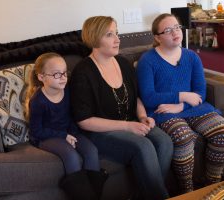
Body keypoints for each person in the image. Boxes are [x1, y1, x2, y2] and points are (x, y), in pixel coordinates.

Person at [70, 16, 173, 200]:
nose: (118, 39)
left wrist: (142, 117)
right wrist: (127, 126)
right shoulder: (82, 72)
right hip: (100, 133)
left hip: (132, 123)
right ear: (94, 38)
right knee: (143, 146)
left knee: (164, 141)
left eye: (116, 33)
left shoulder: (124, 63)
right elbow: (84, 121)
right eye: (110, 34)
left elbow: (136, 98)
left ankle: (145, 194)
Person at [136, 13, 224, 193]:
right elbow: (148, 97)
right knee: (183, 137)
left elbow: (199, 94)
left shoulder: (192, 57)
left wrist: (182, 105)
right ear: (157, 38)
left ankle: (212, 185)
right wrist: (182, 96)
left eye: (177, 27)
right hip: (162, 111)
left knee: (223, 130)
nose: (175, 32)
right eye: (168, 30)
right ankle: (187, 190)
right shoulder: (147, 60)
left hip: (191, 108)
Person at [25, 52, 107, 200]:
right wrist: (63, 136)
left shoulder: (68, 90)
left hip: (68, 132)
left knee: (91, 151)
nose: (63, 77)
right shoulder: (38, 101)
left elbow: (72, 116)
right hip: (45, 136)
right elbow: (36, 131)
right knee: (71, 156)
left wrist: (72, 134)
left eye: (64, 73)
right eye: (56, 74)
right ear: (41, 77)